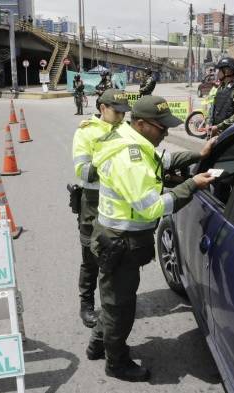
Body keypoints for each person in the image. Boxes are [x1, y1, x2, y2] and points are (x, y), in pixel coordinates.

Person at [86, 95, 216, 381]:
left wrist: (199, 154)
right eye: (162, 128)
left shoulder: (131, 139)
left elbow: (163, 160)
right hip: (120, 242)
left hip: (116, 239)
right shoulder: (130, 158)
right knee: (120, 306)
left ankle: (98, 344)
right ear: (142, 124)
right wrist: (191, 185)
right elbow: (153, 207)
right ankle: (116, 362)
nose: (166, 132)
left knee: (113, 301)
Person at [72, 89, 131, 328]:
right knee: (90, 256)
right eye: (116, 112)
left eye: (123, 113)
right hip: (93, 201)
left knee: (118, 253)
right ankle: (86, 304)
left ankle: (113, 302)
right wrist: (110, 154)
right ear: (102, 108)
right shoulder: (86, 132)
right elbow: (83, 171)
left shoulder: (125, 129)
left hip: (119, 201)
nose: (120, 117)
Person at [204, 57, 234, 136]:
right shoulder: (221, 87)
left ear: (226, 71)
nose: (217, 73)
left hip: (228, 135)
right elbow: (213, 108)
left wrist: (218, 127)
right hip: (214, 131)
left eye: (219, 70)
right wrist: (208, 122)